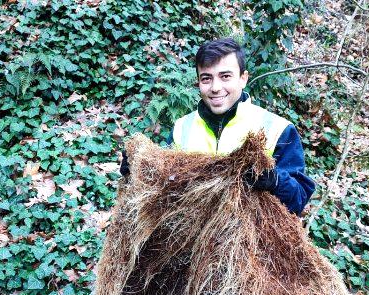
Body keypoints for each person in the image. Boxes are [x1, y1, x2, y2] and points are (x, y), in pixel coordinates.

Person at [121, 37, 315, 215]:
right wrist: (138, 168)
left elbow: (298, 200)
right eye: (207, 78)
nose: (215, 87)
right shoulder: (182, 128)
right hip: (188, 246)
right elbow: (161, 190)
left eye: (225, 76)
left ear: (243, 78)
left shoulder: (277, 128)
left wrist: (276, 181)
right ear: (198, 82)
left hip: (251, 248)